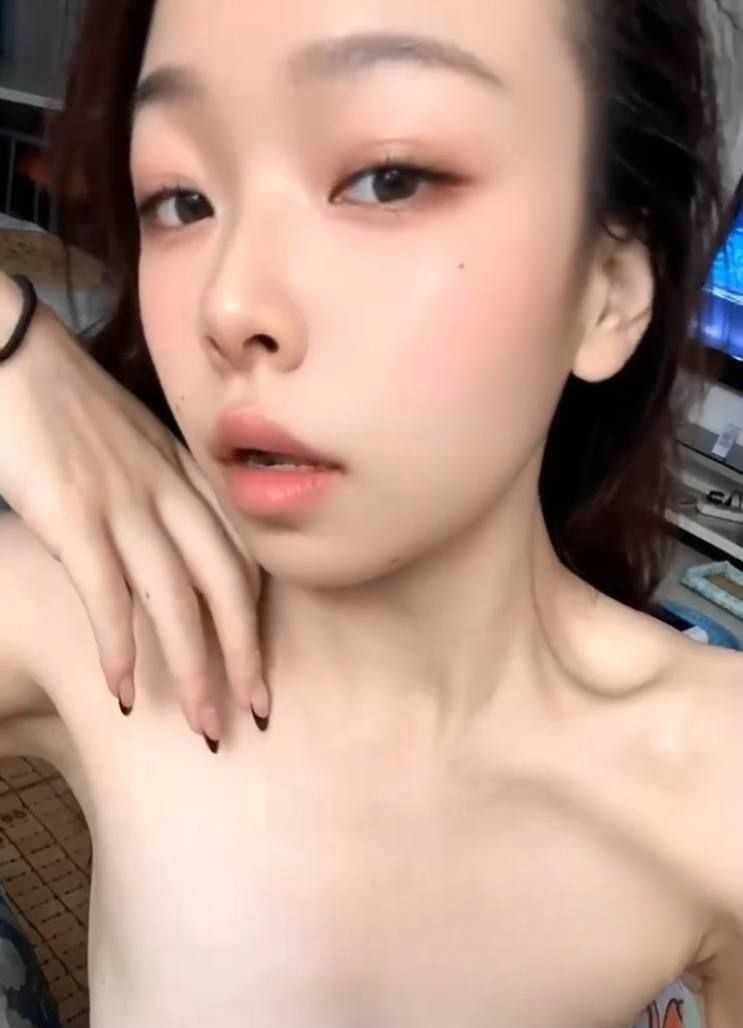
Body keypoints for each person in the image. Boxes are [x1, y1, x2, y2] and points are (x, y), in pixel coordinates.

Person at [0, 0, 740, 1024]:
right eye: (179, 197)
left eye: (389, 177)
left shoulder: (714, 775)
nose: (230, 305)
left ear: (608, 291)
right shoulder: (99, 621)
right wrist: (15, 351)